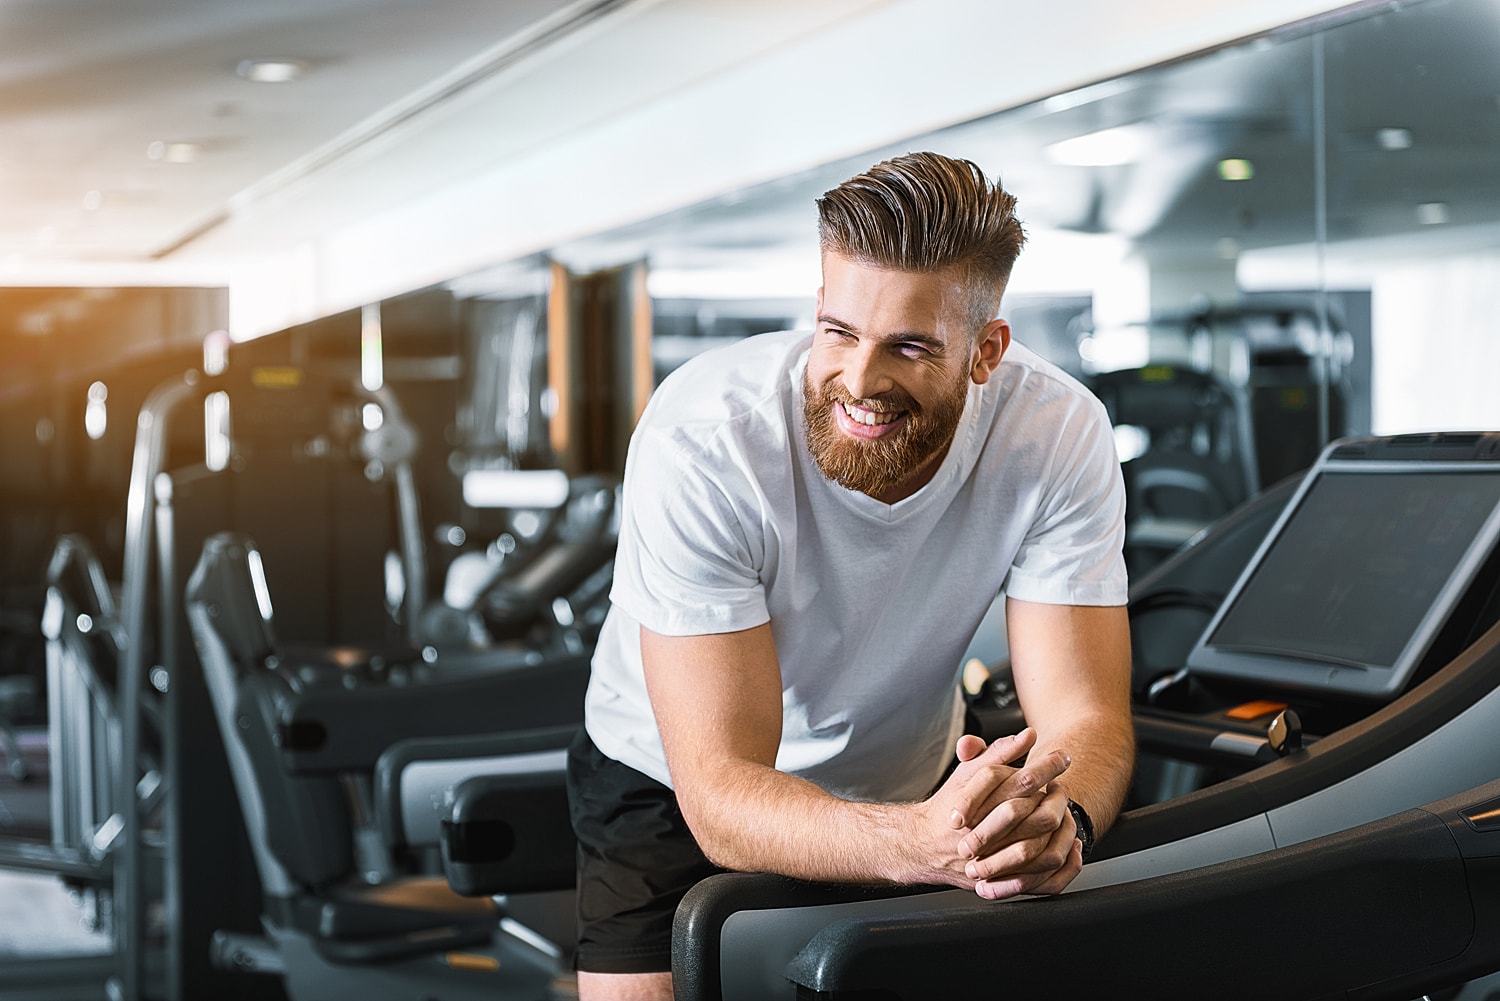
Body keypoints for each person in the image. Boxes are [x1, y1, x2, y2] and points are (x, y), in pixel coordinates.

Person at [567, 151, 1134, 1000]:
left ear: (987, 351)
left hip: (911, 774)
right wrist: (919, 844)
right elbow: (721, 792)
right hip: (671, 781)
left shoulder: (1055, 434)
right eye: (838, 331)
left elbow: (1086, 713)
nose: (860, 381)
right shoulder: (707, 440)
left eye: (908, 345)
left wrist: (1059, 823)